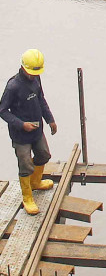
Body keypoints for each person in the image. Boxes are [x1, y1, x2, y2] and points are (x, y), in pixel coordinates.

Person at [0, 49, 57, 216]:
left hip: (37, 129)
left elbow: (41, 99)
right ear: (23, 67)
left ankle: (36, 182)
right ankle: (27, 197)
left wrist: (50, 119)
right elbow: (3, 110)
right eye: (32, 72)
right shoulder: (13, 86)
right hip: (21, 134)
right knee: (25, 164)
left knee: (44, 155)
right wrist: (21, 124)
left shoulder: (36, 78)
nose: (33, 75)